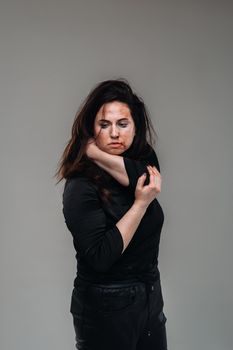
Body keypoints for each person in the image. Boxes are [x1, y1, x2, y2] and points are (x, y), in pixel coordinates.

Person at [55, 79, 168, 350]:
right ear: (91, 128)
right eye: (104, 125)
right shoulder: (80, 185)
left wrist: (92, 150)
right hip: (106, 306)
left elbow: (144, 177)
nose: (115, 134)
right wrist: (140, 205)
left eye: (123, 124)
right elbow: (100, 257)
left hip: (150, 297)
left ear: (136, 127)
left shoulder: (143, 158)